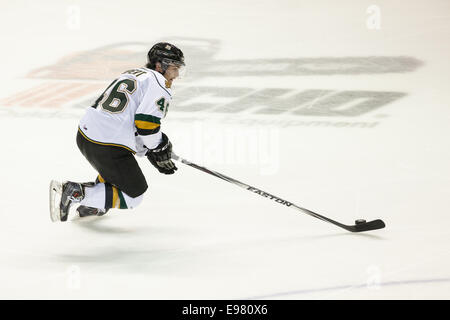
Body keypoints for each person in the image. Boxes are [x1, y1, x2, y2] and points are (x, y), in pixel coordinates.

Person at [49, 42, 185, 222]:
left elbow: (130, 123)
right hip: (107, 144)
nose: (175, 74)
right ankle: (74, 192)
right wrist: (158, 147)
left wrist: (149, 150)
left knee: (117, 172)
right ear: (160, 65)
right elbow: (145, 125)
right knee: (133, 195)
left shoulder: (135, 73)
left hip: (86, 135)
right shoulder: (160, 84)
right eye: (174, 68)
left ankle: (94, 203)